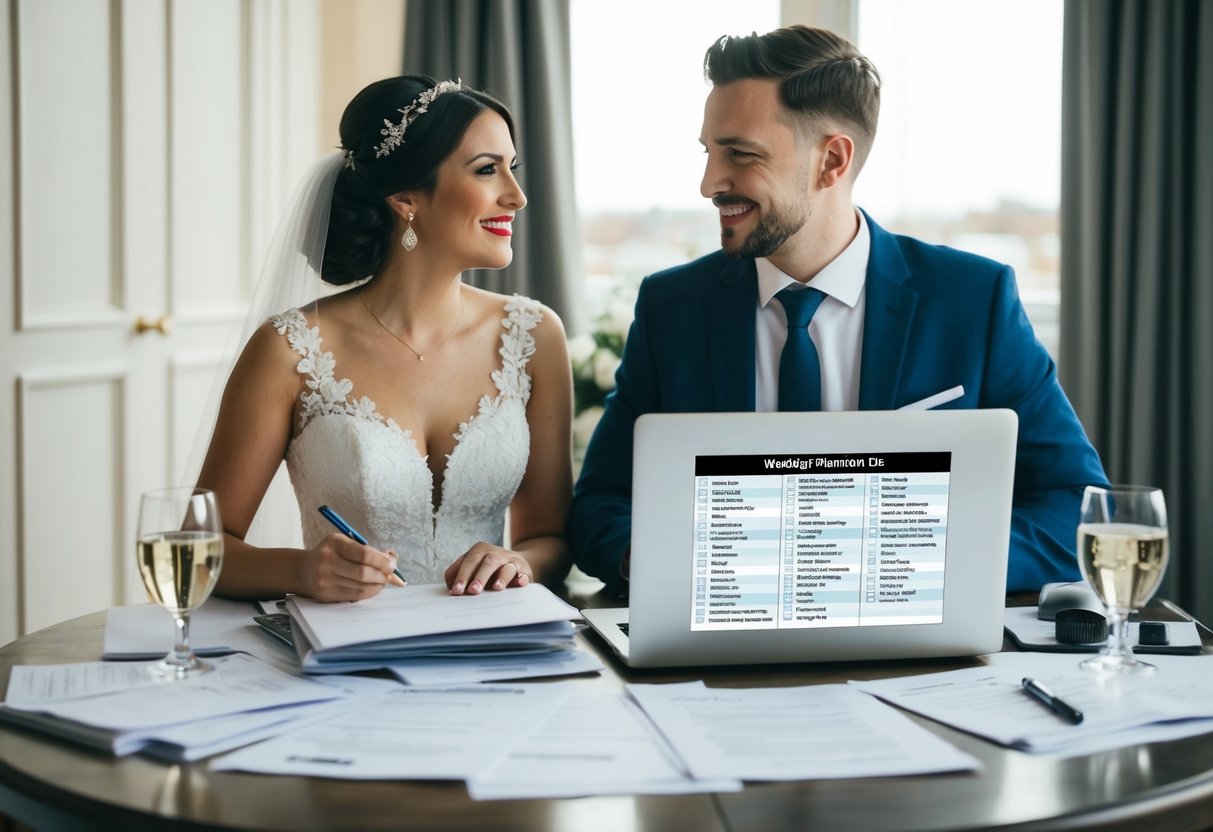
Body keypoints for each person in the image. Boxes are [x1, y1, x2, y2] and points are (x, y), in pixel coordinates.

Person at [570, 25, 1107, 597]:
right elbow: (600, 505)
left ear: (831, 161)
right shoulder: (671, 308)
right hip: (717, 650)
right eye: (709, 153)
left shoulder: (974, 301)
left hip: (917, 659)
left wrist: (914, 567)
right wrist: (670, 562)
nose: (709, 183)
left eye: (740, 155)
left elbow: (1075, 510)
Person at [198, 75, 573, 602]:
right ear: (406, 199)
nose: (517, 196)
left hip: (491, 650)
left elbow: (549, 538)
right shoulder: (289, 349)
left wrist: (518, 560)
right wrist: (304, 571)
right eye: (488, 170)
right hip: (349, 660)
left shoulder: (534, 337)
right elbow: (200, 552)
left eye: (513, 168)